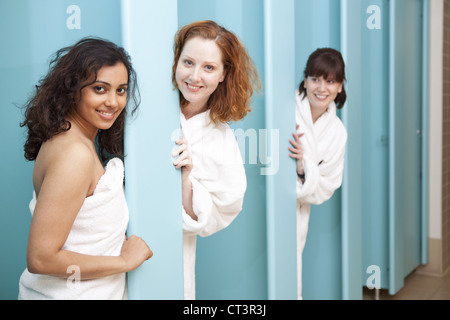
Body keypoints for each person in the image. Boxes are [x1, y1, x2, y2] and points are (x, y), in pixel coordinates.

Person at [18, 37, 153, 300]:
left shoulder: (72, 141)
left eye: (121, 90)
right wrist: (125, 262)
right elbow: (41, 258)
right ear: (73, 89)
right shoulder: (74, 155)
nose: (113, 102)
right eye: (100, 89)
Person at [171, 20, 261, 300]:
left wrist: (186, 178)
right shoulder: (142, 107)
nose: (194, 76)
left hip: (172, 253)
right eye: (188, 62)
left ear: (224, 74)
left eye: (209, 67)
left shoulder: (221, 141)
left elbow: (218, 209)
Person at [288, 48, 348, 299]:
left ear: (340, 86)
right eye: (315, 79)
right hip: (263, 205)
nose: (321, 88)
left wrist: (303, 167)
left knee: (289, 272)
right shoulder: (285, 109)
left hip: (297, 213)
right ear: (305, 80)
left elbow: (328, 186)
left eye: (330, 81)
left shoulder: (337, 132)